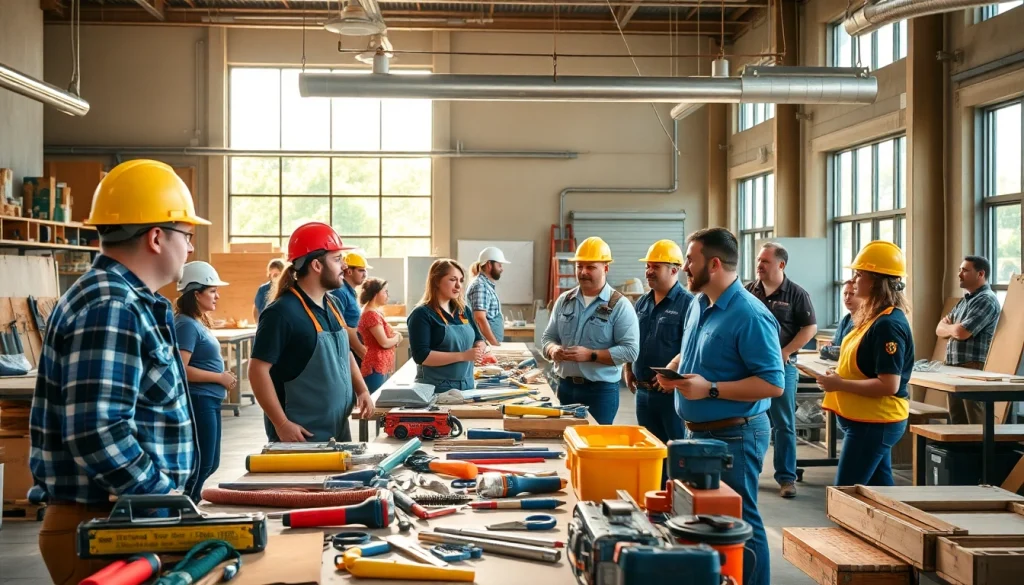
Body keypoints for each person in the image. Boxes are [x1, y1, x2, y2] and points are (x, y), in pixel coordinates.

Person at [28, 159, 207, 585]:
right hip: (104, 525)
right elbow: (97, 430)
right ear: (157, 237)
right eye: (187, 235)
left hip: (122, 519)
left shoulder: (125, 300)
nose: (192, 248)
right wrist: (163, 498)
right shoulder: (113, 306)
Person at [655, 227, 784, 585]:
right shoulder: (700, 303)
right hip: (696, 432)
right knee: (701, 515)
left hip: (735, 435)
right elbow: (693, 348)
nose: (683, 267)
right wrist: (677, 369)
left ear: (713, 264)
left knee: (740, 520)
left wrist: (709, 389)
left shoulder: (750, 315)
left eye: (690, 260)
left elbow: (774, 383)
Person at [248, 222, 374, 443]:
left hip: (337, 428)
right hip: (301, 434)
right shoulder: (281, 313)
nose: (344, 267)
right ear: (316, 265)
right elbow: (257, 371)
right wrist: (282, 423)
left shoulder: (332, 303)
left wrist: (362, 390)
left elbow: (343, 353)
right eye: (337, 260)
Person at [814, 240, 914, 487]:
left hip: (875, 423)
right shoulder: (872, 319)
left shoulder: (887, 325)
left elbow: (889, 385)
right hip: (866, 422)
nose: (854, 280)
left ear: (876, 281)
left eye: (859, 274)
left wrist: (839, 383)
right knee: (881, 493)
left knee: (844, 492)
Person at [745, 242, 818, 499]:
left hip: (781, 368)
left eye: (765, 261)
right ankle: (748, 473)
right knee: (749, 419)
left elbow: (809, 329)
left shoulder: (797, 294)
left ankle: (786, 478)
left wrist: (786, 352)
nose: (759, 265)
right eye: (758, 260)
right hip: (751, 368)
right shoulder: (749, 291)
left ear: (781, 265)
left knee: (783, 424)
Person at [542, 237, 640, 425]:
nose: (583, 272)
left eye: (590, 267)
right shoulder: (564, 300)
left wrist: (591, 355)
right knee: (564, 442)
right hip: (565, 388)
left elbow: (630, 351)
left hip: (600, 393)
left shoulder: (620, 305)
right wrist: (553, 350)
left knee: (596, 445)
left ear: (606, 268)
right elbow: (548, 337)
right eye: (580, 266)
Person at [625, 240, 692, 477]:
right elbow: (630, 339)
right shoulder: (642, 303)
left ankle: (675, 501)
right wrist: (627, 367)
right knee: (650, 451)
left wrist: (672, 375)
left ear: (674, 270)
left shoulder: (688, 305)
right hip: (643, 393)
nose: (649, 271)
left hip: (670, 395)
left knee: (675, 453)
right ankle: (654, 500)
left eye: (656, 266)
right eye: (648, 266)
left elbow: (691, 347)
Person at [174, 261, 235, 502]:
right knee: (203, 462)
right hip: (199, 400)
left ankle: (189, 505)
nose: (217, 296)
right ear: (196, 293)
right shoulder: (185, 325)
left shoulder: (196, 322)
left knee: (211, 461)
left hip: (209, 400)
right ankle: (185, 508)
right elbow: (182, 369)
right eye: (212, 291)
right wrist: (219, 377)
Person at [935, 255, 1001, 424]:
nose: (959, 274)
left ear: (981, 274)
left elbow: (963, 332)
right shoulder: (965, 301)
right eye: (959, 270)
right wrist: (954, 329)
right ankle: (962, 450)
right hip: (954, 367)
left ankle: (981, 451)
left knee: (975, 421)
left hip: (972, 367)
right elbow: (939, 329)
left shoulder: (986, 299)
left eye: (965, 270)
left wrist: (953, 328)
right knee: (957, 420)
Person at [409, 259, 487, 392]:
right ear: (436, 281)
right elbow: (421, 356)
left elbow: (478, 339)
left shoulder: (463, 310)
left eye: (461, 280)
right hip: (435, 390)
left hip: (467, 387)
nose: (458, 286)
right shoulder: (421, 314)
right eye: (452, 279)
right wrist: (463, 356)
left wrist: (480, 347)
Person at [357, 277, 402, 394]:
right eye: (385, 292)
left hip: (380, 365)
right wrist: (397, 338)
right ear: (376, 293)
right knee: (375, 402)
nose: (388, 295)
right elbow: (384, 342)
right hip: (374, 366)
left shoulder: (375, 312)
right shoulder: (370, 314)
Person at [329, 251, 370, 362]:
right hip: (347, 350)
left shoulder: (350, 292)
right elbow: (341, 326)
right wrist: (360, 349)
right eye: (361, 270)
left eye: (365, 270)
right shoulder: (340, 292)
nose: (365, 274)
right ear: (349, 271)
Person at [467, 246, 511, 346]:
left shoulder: (485, 285)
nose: (502, 269)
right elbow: (480, 318)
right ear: (489, 265)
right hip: (486, 345)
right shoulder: (480, 286)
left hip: (487, 345)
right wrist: (494, 343)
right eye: (499, 265)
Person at [820, 280, 859, 361]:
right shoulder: (845, 319)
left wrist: (828, 350)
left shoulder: (863, 321)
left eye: (852, 294)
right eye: (845, 294)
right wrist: (831, 344)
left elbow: (850, 351)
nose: (847, 297)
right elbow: (837, 342)